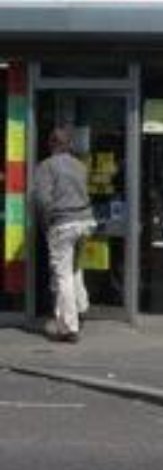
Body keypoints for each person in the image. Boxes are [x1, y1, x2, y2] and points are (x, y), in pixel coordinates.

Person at [32, 127, 96, 343]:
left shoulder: (46, 166)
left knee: (62, 275)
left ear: (51, 144)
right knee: (75, 266)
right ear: (69, 145)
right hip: (85, 221)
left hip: (63, 223)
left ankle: (69, 327)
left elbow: (41, 199)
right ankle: (81, 306)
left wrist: (46, 223)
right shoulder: (80, 165)